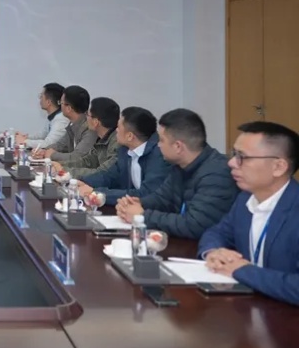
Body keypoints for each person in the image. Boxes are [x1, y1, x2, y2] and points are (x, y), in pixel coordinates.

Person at [199, 122, 299, 305]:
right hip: (253, 307)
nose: (231, 163)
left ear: (278, 167)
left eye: (242, 157)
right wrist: (214, 252)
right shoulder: (246, 198)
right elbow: (217, 232)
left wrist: (243, 271)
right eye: (233, 154)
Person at [116, 108, 238, 239]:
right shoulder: (180, 166)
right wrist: (137, 203)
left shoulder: (217, 174)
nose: (158, 145)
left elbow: (194, 225)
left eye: (161, 140)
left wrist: (142, 216)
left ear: (178, 146)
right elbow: (162, 199)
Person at [78, 106, 171, 205]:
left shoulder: (159, 155)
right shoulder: (125, 150)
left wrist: (97, 193)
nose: (116, 130)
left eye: (118, 127)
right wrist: (83, 182)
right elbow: (109, 176)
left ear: (130, 136)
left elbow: (146, 193)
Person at [52, 97, 120, 178]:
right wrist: (60, 165)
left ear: (96, 122)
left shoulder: (117, 143)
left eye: (88, 114)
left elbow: (102, 173)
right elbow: (87, 161)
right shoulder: (101, 139)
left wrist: (64, 170)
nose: (86, 117)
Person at [33, 85, 97, 162]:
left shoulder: (90, 129)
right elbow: (60, 145)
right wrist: (43, 151)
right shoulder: (72, 125)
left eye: (61, 103)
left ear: (69, 108)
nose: (60, 106)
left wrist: (52, 155)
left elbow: (77, 157)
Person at [17, 83, 69, 150]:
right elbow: (43, 135)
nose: (40, 99)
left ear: (48, 102)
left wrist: (24, 142)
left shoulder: (61, 120)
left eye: (41, 96)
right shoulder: (53, 116)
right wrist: (26, 137)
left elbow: (48, 144)